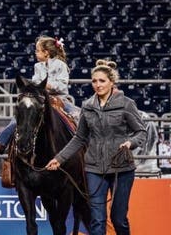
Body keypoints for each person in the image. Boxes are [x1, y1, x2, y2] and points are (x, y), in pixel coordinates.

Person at [46, 59, 147, 235]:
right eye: (94, 81)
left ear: (111, 82)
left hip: (121, 169)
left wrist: (131, 143)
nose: (97, 85)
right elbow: (79, 138)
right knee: (97, 220)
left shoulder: (126, 104)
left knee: (118, 219)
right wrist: (59, 159)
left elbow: (141, 132)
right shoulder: (87, 106)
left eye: (102, 81)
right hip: (94, 169)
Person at [0, 35, 76, 154]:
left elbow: (63, 85)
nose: (35, 53)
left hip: (59, 98)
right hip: (41, 98)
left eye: (37, 50)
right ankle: (1, 143)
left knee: (76, 114)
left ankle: (79, 141)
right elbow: (35, 82)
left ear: (46, 53)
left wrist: (49, 85)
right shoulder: (37, 66)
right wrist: (37, 87)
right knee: (21, 115)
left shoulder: (61, 65)